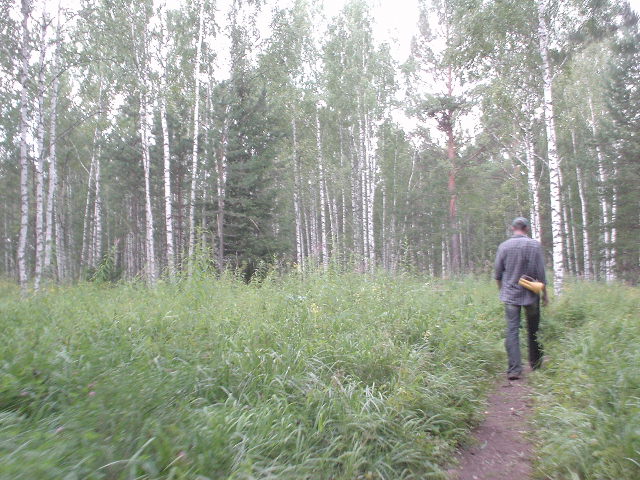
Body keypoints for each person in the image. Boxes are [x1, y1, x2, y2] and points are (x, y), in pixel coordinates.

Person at [494, 217, 548, 380]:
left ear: (513, 228)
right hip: (531, 294)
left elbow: (497, 274)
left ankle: (514, 370)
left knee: (512, 330)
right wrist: (545, 295)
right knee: (534, 329)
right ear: (526, 228)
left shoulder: (504, 246)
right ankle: (536, 364)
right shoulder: (534, 246)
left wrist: (502, 291)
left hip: (510, 295)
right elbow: (541, 274)